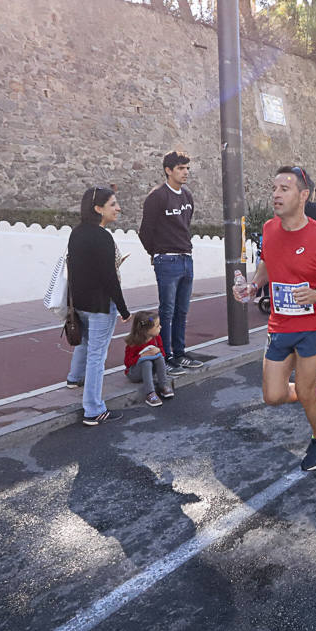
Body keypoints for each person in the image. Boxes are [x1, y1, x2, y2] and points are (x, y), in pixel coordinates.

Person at [233, 166, 316, 471]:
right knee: (272, 396)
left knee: (303, 391)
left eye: (284, 189)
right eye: (273, 188)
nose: (275, 194)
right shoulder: (271, 230)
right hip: (280, 324)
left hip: (314, 325)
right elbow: (267, 264)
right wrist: (254, 286)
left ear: (303, 195)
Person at [67, 186, 131, 425]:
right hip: (101, 304)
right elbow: (109, 278)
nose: (118, 208)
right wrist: (124, 309)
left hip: (80, 303)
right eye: (113, 204)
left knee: (84, 343)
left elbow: (73, 270)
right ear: (98, 209)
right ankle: (93, 409)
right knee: (97, 355)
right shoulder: (103, 237)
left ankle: (74, 378)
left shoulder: (76, 233)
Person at [139, 151, 204, 377]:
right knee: (166, 311)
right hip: (166, 260)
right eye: (180, 168)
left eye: (187, 168)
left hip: (187, 258)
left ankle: (179, 353)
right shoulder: (157, 197)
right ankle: (164, 357)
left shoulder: (187, 195)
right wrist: (157, 253)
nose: (185, 172)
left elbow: (186, 224)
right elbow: (145, 232)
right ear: (168, 170)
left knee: (182, 311)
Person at [123, 310, 175, 407]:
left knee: (159, 357)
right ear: (146, 330)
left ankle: (163, 385)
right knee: (146, 362)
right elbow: (127, 363)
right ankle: (150, 393)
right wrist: (142, 356)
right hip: (134, 373)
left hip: (150, 371)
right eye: (157, 326)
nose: (160, 327)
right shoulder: (134, 342)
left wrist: (158, 351)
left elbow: (163, 353)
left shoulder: (156, 338)